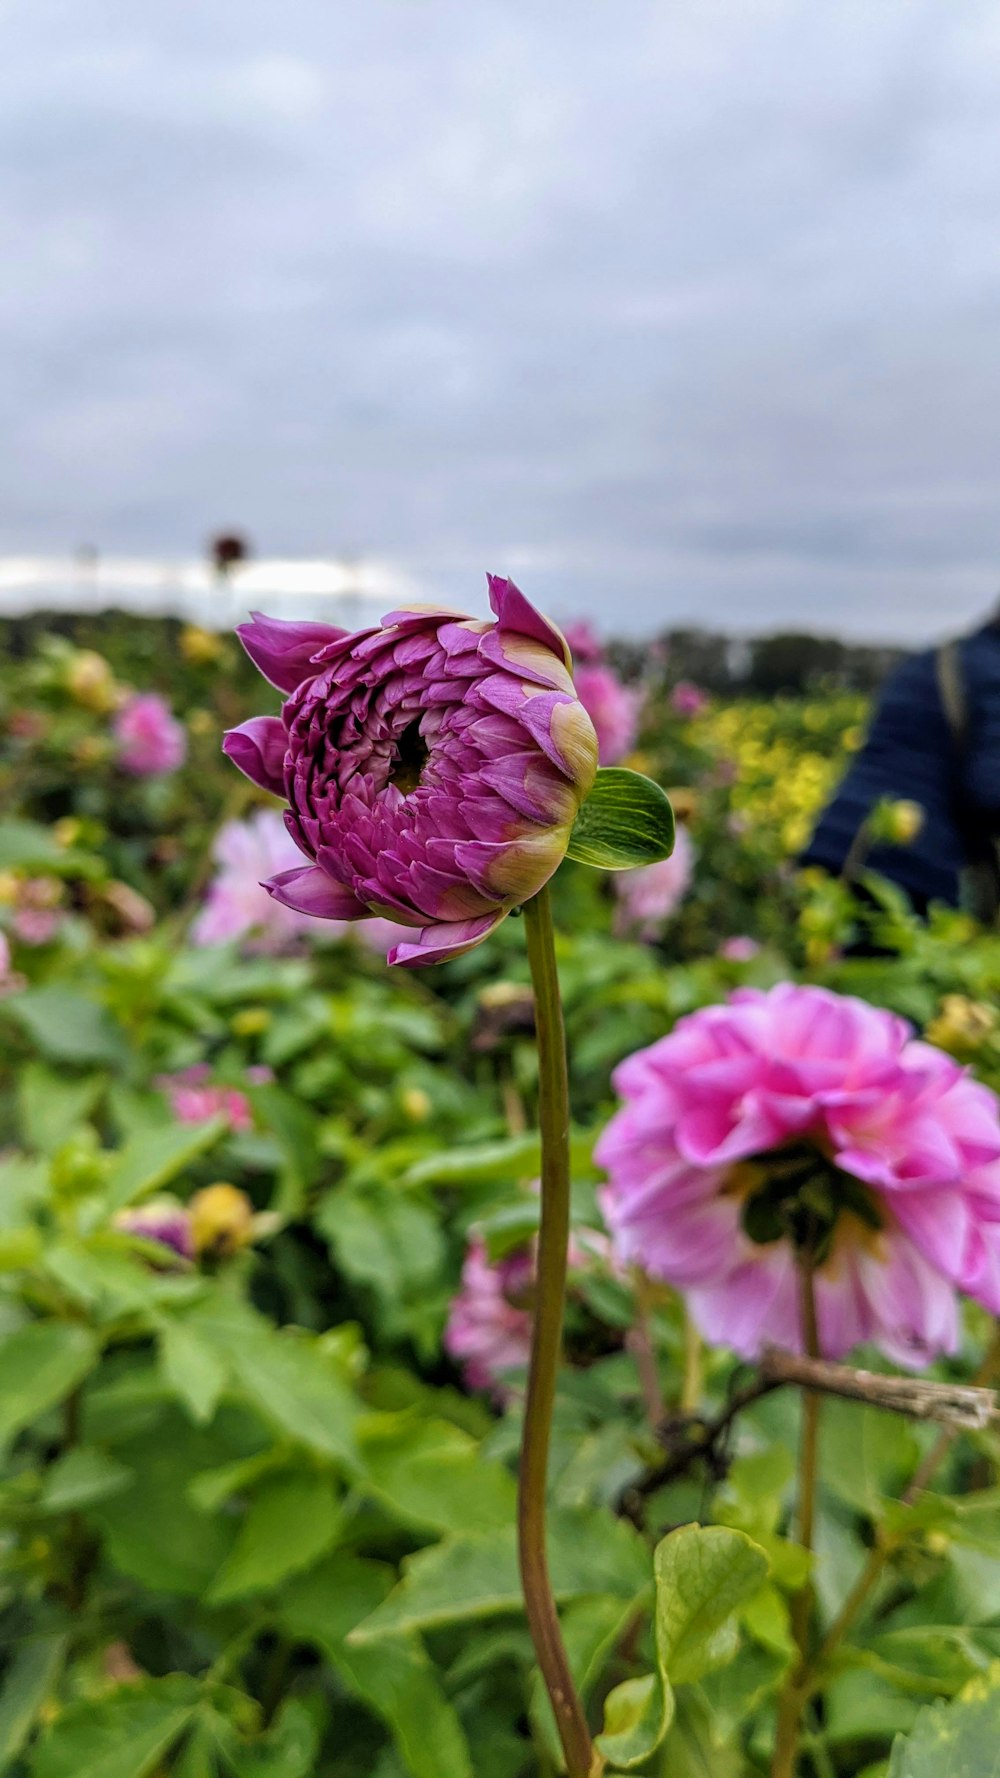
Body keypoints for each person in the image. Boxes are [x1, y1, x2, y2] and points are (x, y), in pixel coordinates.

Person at [802, 614, 1000, 920]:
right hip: (911, 870)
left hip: (832, 846)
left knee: (827, 957)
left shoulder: (933, 659)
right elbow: (989, 789)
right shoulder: (992, 671)